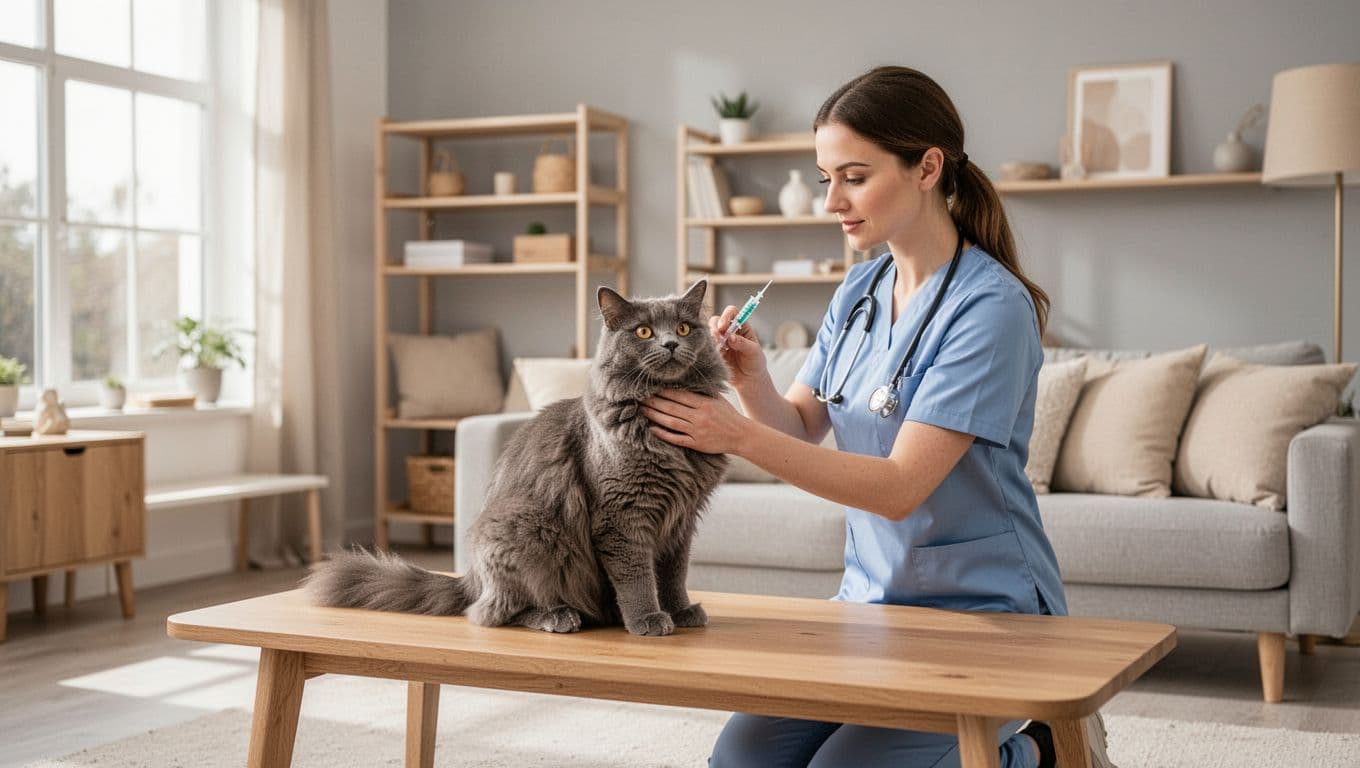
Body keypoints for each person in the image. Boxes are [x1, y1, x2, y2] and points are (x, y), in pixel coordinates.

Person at [641, 66, 1115, 768]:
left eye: (853, 177)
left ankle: (1036, 752)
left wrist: (735, 436)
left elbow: (898, 488)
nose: (832, 200)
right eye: (825, 176)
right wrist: (752, 380)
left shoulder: (991, 309)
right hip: (870, 608)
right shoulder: (860, 290)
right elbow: (801, 428)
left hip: (987, 615)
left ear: (927, 167)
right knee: (743, 760)